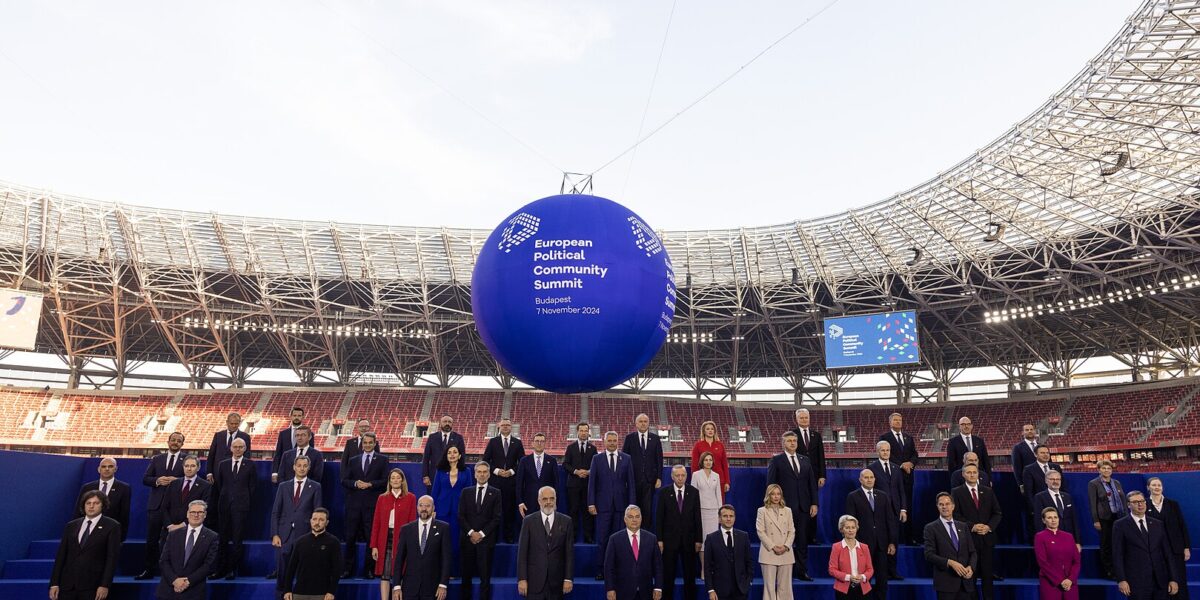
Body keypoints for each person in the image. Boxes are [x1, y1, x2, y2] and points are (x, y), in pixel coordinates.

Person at [765, 431, 818, 581]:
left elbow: (811, 484)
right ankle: (782, 573)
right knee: (783, 541)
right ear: (783, 443)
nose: (793, 443)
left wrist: (814, 503)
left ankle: (801, 572)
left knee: (801, 541)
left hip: (803, 507)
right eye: (789, 441)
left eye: (794, 440)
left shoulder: (805, 460)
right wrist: (772, 505)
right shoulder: (776, 460)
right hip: (783, 508)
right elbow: (771, 484)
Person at [50, 490, 121, 600]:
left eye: (96, 503)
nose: (91, 506)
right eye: (88, 503)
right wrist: (54, 583)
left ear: (103, 505)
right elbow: (61, 556)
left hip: (93, 586)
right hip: (67, 586)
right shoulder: (71, 526)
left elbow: (111, 559)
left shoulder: (112, 526)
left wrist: (104, 585)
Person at [137, 432, 188, 580]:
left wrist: (177, 480)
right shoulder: (157, 459)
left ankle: (172, 573)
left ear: (182, 444)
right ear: (168, 442)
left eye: (179, 441)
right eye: (173, 440)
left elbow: (191, 478)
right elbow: (145, 479)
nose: (175, 443)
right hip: (156, 506)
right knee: (152, 540)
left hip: (175, 507)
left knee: (173, 541)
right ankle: (149, 570)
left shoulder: (187, 460)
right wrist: (158, 480)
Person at [1113, 490, 1179, 599]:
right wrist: (1121, 579)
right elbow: (1117, 555)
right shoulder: (1120, 525)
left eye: (1142, 501)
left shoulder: (1158, 524)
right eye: (1135, 502)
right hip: (1136, 582)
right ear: (1128, 505)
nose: (1140, 504)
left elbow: (1167, 553)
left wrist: (1174, 578)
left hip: (1160, 581)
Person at [589, 430, 636, 579]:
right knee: (602, 540)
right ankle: (601, 570)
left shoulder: (627, 459)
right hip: (603, 507)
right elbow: (592, 483)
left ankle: (618, 570)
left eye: (614, 440)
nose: (611, 443)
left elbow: (631, 484)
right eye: (609, 440)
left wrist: (632, 505)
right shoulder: (597, 459)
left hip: (622, 508)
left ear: (618, 442)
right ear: (604, 441)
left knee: (620, 540)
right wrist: (591, 503)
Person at [950, 464, 1001, 600]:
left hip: (987, 539)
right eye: (969, 472)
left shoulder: (988, 491)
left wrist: (988, 527)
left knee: (987, 576)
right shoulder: (957, 492)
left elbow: (997, 513)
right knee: (969, 576)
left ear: (978, 474)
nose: (972, 475)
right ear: (963, 474)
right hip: (968, 540)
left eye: (974, 472)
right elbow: (955, 515)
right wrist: (972, 526)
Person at [271, 455, 323, 584]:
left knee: (304, 571)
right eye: (299, 466)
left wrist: (315, 534)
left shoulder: (316, 487)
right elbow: (276, 511)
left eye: (305, 466)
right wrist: (275, 534)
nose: (302, 469)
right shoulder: (283, 486)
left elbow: (318, 513)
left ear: (309, 468)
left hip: (305, 533)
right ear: (294, 467)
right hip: (284, 535)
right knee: (283, 573)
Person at [342, 431, 387, 579]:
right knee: (350, 538)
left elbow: (385, 481)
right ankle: (347, 569)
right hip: (353, 505)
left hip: (372, 506)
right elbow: (345, 480)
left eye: (370, 442)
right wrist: (355, 483)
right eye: (365, 443)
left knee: (370, 539)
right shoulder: (353, 460)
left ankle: (370, 570)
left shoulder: (382, 460)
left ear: (375, 443)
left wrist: (370, 484)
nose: (367, 445)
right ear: (362, 444)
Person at [517, 486, 575, 600]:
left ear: (555, 500)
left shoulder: (566, 521)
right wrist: (522, 579)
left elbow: (569, 553)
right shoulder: (528, 521)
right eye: (545, 499)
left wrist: (568, 578)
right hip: (534, 582)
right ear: (539, 501)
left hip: (557, 582)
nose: (548, 502)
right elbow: (522, 553)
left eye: (551, 498)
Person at [391, 495, 452, 600]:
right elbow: (399, 560)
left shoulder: (443, 528)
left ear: (433, 508)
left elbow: (446, 559)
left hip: (433, 588)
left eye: (427, 506)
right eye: (421, 505)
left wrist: (443, 585)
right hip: (409, 588)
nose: (424, 508)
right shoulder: (406, 529)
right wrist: (396, 586)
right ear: (417, 508)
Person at [845, 469, 894, 600]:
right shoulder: (853, 496)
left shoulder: (883, 496)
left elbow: (889, 520)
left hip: (882, 544)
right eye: (866, 477)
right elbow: (850, 521)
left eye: (872, 477)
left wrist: (892, 542)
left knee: (882, 577)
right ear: (860, 480)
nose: (869, 479)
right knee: (863, 577)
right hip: (862, 544)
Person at [212, 437, 257, 579]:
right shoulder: (222, 464)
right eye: (235, 446)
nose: (238, 449)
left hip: (241, 506)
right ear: (231, 448)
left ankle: (232, 570)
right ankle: (220, 570)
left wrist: (242, 499)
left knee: (237, 539)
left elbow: (252, 487)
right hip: (224, 505)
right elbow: (220, 485)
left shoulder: (250, 464)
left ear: (245, 449)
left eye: (241, 447)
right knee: (222, 539)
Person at [156, 500, 219, 600]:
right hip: (168, 591)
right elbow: (164, 561)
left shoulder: (212, 537)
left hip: (194, 592)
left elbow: (209, 565)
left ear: (205, 514)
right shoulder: (173, 534)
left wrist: (187, 582)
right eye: (192, 512)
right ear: (187, 514)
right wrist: (174, 580)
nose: (196, 515)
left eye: (200, 512)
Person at [656, 465, 702, 600]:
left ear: (686, 476)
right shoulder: (664, 492)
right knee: (668, 576)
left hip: (689, 540)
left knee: (690, 576)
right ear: (672, 476)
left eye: (683, 475)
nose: (680, 478)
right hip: (669, 541)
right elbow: (659, 517)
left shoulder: (694, 492)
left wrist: (699, 539)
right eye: (677, 475)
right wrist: (659, 539)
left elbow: (697, 517)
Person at [371, 468, 416, 600]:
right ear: (389, 481)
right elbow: (376, 523)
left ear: (402, 480)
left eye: (398, 477)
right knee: (385, 574)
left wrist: (411, 543)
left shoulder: (411, 498)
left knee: (400, 572)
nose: (395, 480)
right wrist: (374, 545)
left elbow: (412, 522)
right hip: (384, 539)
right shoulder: (382, 498)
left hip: (402, 539)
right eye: (393, 478)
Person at [459, 462, 502, 600]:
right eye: (479, 472)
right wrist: (472, 533)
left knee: (485, 579)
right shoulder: (466, 492)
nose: (482, 474)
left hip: (486, 541)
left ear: (489, 474)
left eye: (485, 472)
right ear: (475, 474)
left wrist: (481, 534)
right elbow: (461, 516)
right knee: (466, 578)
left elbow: (496, 518)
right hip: (468, 541)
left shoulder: (496, 493)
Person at [923, 492, 976, 600]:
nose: (944, 507)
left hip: (965, 583)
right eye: (941, 504)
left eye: (947, 504)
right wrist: (950, 562)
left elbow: (973, 552)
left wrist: (971, 567)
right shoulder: (931, 528)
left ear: (953, 506)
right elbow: (929, 554)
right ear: (937, 507)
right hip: (946, 584)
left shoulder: (963, 526)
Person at [604, 505, 664, 600]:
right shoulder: (614, 539)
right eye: (630, 517)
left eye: (637, 516)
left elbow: (658, 566)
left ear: (641, 518)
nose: (634, 520)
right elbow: (609, 567)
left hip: (646, 591)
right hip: (622, 592)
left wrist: (658, 587)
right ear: (625, 519)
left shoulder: (651, 538)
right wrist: (610, 588)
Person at [1146, 477, 1191, 600]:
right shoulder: (1144, 504)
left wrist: (1186, 547)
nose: (1157, 487)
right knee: (1161, 581)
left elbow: (1182, 525)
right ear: (1148, 488)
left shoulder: (1173, 504)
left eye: (1159, 485)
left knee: (1180, 580)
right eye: (1154, 485)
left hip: (1175, 549)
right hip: (1156, 550)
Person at [868, 440, 907, 581]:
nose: (885, 453)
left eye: (888, 450)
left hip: (895, 511)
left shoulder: (896, 468)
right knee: (879, 543)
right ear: (877, 451)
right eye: (883, 450)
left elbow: (901, 490)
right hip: (879, 512)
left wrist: (903, 509)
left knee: (893, 542)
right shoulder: (871, 468)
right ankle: (878, 572)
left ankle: (892, 571)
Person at [282, 508, 342, 600]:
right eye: (314, 519)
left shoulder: (333, 542)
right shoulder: (300, 542)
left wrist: (331, 592)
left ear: (327, 522)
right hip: (299, 593)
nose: (317, 522)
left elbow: (336, 570)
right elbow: (291, 568)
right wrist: (287, 590)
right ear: (310, 521)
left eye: (321, 520)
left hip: (322, 594)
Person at [482, 417, 524, 543]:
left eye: (508, 425)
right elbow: (485, 460)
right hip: (495, 481)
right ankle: (493, 536)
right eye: (503, 425)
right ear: (499, 427)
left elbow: (522, 462)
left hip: (511, 482)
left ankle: (509, 537)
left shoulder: (517, 443)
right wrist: (497, 471)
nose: (505, 427)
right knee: (493, 510)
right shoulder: (493, 442)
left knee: (509, 510)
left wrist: (511, 471)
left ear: (511, 427)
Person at [879, 413, 918, 544]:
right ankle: (892, 538)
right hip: (892, 478)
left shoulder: (909, 437)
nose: (898, 422)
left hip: (908, 478)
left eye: (900, 420)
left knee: (908, 507)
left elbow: (914, 454)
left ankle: (909, 538)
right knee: (892, 508)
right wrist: (901, 464)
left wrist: (910, 463)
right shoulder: (884, 437)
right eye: (895, 420)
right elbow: (886, 455)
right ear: (890, 422)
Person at [431, 445, 469, 574]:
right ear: (446, 456)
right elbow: (435, 492)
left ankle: (454, 571)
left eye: (455, 452)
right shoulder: (440, 471)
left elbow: (469, 492)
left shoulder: (467, 471)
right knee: (441, 543)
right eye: (449, 453)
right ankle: (440, 571)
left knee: (456, 543)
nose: (452, 455)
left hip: (459, 513)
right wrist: (433, 509)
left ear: (459, 455)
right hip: (442, 512)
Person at [74, 457, 131, 541]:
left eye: (110, 466)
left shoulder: (124, 488)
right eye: (103, 466)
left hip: (111, 532)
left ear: (115, 469)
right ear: (99, 469)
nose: (107, 469)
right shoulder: (87, 487)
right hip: (88, 531)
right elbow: (79, 511)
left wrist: (121, 537)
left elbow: (124, 514)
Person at [624, 413, 664, 531]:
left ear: (648, 423)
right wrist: (625, 478)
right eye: (640, 421)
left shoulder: (655, 439)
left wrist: (659, 477)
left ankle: (645, 532)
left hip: (649, 481)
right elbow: (625, 459)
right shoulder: (629, 438)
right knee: (633, 508)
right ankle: (632, 532)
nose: (643, 423)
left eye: (645, 421)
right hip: (633, 480)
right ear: (636, 424)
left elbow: (659, 460)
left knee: (647, 509)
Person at [1086, 459, 1125, 580]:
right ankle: (1109, 571)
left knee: (1118, 544)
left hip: (1118, 517)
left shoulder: (1117, 483)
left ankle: (1120, 569)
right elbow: (1093, 503)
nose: (1106, 470)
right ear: (1099, 470)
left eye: (1108, 468)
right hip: (1104, 519)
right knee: (1106, 545)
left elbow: (1123, 500)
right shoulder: (1093, 483)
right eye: (1103, 468)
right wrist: (1096, 520)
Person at [791, 408, 826, 546]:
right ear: (797, 419)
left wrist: (822, 475)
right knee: (797, 506)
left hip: (814, 476)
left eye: (806, 417)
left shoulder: (816, 435)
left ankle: (812, 536)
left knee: (813, 505)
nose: (804, 420)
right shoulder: (792, 434)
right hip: (797, 476)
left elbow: (821, 457)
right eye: (801, 418)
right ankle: (795, 536)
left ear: (809, 418)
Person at [704, 505, 753, 600]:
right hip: (719, 591)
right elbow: (707, 567)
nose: (728, 519)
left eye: (731, 516)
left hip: (741, 590)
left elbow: (749, 561)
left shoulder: (743, 536)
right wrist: (710, 590)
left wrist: (748, 582)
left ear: (735, 518)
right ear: (719, 519)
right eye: (725, 516)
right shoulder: (711, 538)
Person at [757, 484, 795, 600]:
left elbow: (791, 531)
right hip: (768, 553)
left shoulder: (787, 511)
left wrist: (786, 546)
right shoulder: (762, 511)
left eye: (778, 494)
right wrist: (773, 546)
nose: (776, 497)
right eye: (773, 494)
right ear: (768, 495)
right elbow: (760, 531)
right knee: (769, 588)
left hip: (786, 553)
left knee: (785, 588)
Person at [1034, 507, 1080, 600]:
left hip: (1070, 583)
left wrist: (1070, 579)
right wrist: (1060, 580)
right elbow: (1043, 563)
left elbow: (1076, 561)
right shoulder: (1040, 537)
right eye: (1049, 518)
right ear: (1043, 520)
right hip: (1050, 582)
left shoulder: (1069, 536)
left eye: (1055, 517)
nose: (1053, 520)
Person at [563, 422, 598, 542]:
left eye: (585, 430)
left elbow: (596, 465)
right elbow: (565, 464)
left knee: (587, 513)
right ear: (577, 432)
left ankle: (588, 537)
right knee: (573, 511)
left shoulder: (593, 448)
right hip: (573, 486)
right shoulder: (570, 447)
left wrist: (588, 472)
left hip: (588, 486)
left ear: (589, 432)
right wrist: (576, 472)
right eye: (581, 430)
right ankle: (572, 537)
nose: (583, 433)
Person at [163, 457, 213, 539]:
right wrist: (169, 525)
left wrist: (182, 525)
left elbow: (204, 509)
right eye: (186, 466)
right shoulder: (173, 484)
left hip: (192, 530)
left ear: (198, 468)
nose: (189, 469)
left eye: (192, 466)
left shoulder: (206, 486)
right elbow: (164, 507)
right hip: (170, 531)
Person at [1033, 470, 1081, 552]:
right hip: (1051, 539)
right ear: (1046, 481)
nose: (1055, 481)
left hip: (1068, 538)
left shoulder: (1067, 497)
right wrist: (1043, 541)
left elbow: (1074, 520)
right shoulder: (1040, 497)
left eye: (1058, 479)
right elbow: (1039, 521)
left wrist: (1077, 541)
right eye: (1052, 479)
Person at [828, 515, 873, 600]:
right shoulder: (836, 547)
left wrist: (862, 576)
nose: (851, 530)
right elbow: (832, 569)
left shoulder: (864, 547)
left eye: (853, 527)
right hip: (843, 589)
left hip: (863, 589)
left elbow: (870, 569)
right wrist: (848, 577)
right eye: (847, 527)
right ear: (842, 529)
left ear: (856, 529)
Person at [516, 432, 558, 518]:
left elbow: (556, 483)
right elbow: (519, 483)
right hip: (528, 502)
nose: (539, 443)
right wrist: (520, 502)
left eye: (542, 441)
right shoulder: (524, 461)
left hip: (547, 502)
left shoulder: (552, 461)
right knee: (529, 529)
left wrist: (555, 502)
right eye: (537, 441)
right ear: (532, 443)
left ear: (545, 443)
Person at [1011, 423, 1040, 542]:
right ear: (1023, 433)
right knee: (1031, 512)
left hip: (1042, 484)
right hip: (1028, 486)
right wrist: (1021, 485)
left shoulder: (1041, 446)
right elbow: (1017, 468)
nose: (1029, 431)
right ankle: (1033, 540)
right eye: (1027, 430)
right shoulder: (1018, 448)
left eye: (1031, 429)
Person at [422, 415, 465, 490]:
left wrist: (460, 475)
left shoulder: (458, 438)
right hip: (434, 475)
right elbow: (426, 458)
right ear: (440, 423)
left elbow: (462, 457)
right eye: (445, 421)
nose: (447, 423)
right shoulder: (432, 437)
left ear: (452, 424)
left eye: (449, 422)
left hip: (453, 476)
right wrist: (425, 475)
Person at [205, 412, 250, 484]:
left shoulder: (245, 437)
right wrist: (209, 472)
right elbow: (211, 455)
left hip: (236, 474)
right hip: (217, 474)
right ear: (227, 422)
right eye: (231, 423)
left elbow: (247, 456)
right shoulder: (218, 435)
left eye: (236, 424)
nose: (234, 426)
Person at [690, 421, 730, 499]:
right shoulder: (698, 445)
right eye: (708, 429)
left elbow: (724, 464)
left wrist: (727, 482)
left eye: (712, 429)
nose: (710, 430)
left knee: (719, 502)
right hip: (703, 479)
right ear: (704, 431)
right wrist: (695, 481)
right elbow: (694, 465)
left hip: (719, 479)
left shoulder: (720, 445)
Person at [692, 452, 723, 543]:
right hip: (701, 510)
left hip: (714, 511)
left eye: (710, 460)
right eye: (706, 460)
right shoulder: (696, 475)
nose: (708, 462)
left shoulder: (716, 476)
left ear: (713, 462)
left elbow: (718, 495)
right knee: (702, 537)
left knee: (714, 537)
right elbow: (693, 495)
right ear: (702, 461)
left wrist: (720, 512)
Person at [272, 406, 306, 485]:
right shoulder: (283, 434)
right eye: (294, 415)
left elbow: (310, 454)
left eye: (299, 416)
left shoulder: (309, 434)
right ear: (291, 416)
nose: (296, 418)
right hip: (284, 473)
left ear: (303, 417)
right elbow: (278, 454)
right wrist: (274, 472)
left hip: (302, 473)